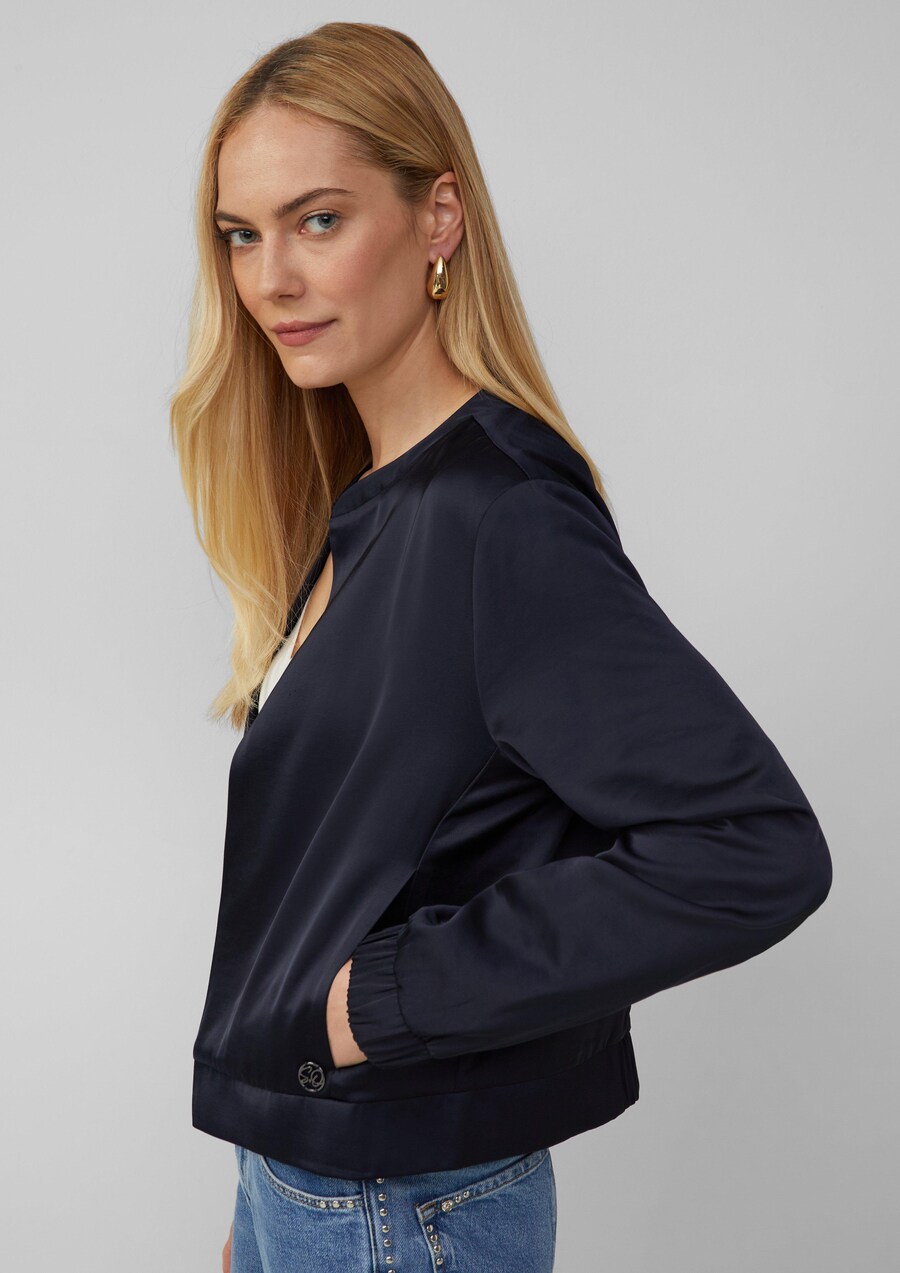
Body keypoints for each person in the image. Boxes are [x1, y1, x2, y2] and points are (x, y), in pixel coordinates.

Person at [168, 22, 833, 1273]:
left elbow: (752, 846)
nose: (272, 279)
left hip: (397, 1204)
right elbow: (339, 863)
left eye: (318, 220)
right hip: (313, 1186)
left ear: (438, 217)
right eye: (241, 235)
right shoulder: (374, 500)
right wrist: (265, 1185)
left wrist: (390, 1001)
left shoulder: (498, 518)